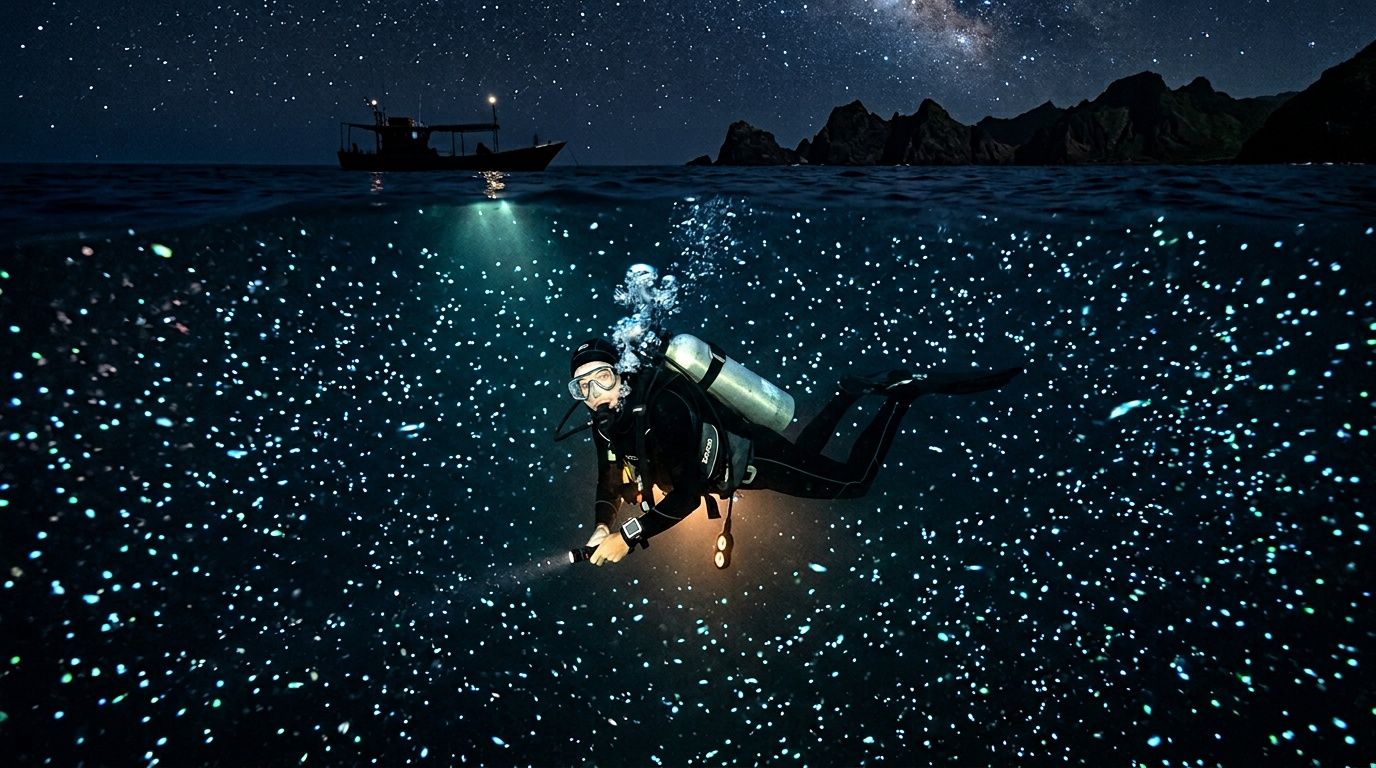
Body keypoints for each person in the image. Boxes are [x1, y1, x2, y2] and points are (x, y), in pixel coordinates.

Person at [567, 338, 1021, 566]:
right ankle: (846, 393)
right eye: (582, 386)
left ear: (623, 374)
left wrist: (627, 536)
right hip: (744, 460)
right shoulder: (608, 426)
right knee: (803, 455)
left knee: (854, 483)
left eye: (603, 378)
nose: (594, 393)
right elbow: (609, 477)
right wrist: (601, 525)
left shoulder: (663, 405)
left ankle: (902, 397)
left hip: (752, 458)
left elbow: (686, 494)